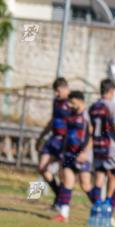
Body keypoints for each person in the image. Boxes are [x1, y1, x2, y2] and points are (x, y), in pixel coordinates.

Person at [89, 79, 115, 227]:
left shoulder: (93, 107)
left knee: (100, 179)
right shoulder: (113, 107)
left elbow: (91, 129)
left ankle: (96, 210)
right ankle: (109, 211)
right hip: (112, 149)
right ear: (111, 91)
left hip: (98, 147)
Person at [53, 91, 93, 222]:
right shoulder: (71, 115)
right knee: (67, 182)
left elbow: (92, 136)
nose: (69, 105)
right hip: (69, 154)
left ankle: (101, 209)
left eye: (72, 102)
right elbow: (67, 134)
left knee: (85, 185)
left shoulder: (87, 116)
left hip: (82, 155)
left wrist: (85, 152)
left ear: (80, 100)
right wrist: (63, 152)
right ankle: (64, 214)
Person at [37, 78, 71, 206]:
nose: (56, 94)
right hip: (53, 139)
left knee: (64, 174)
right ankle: (57, 196)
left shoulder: (71, 103)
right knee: (42, 168)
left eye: (58, 91)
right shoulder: (56, 101)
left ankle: (60, 202)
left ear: (65, 88)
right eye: (55, 91)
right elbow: (53, 120)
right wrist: (41, 137)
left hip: (65, 142)